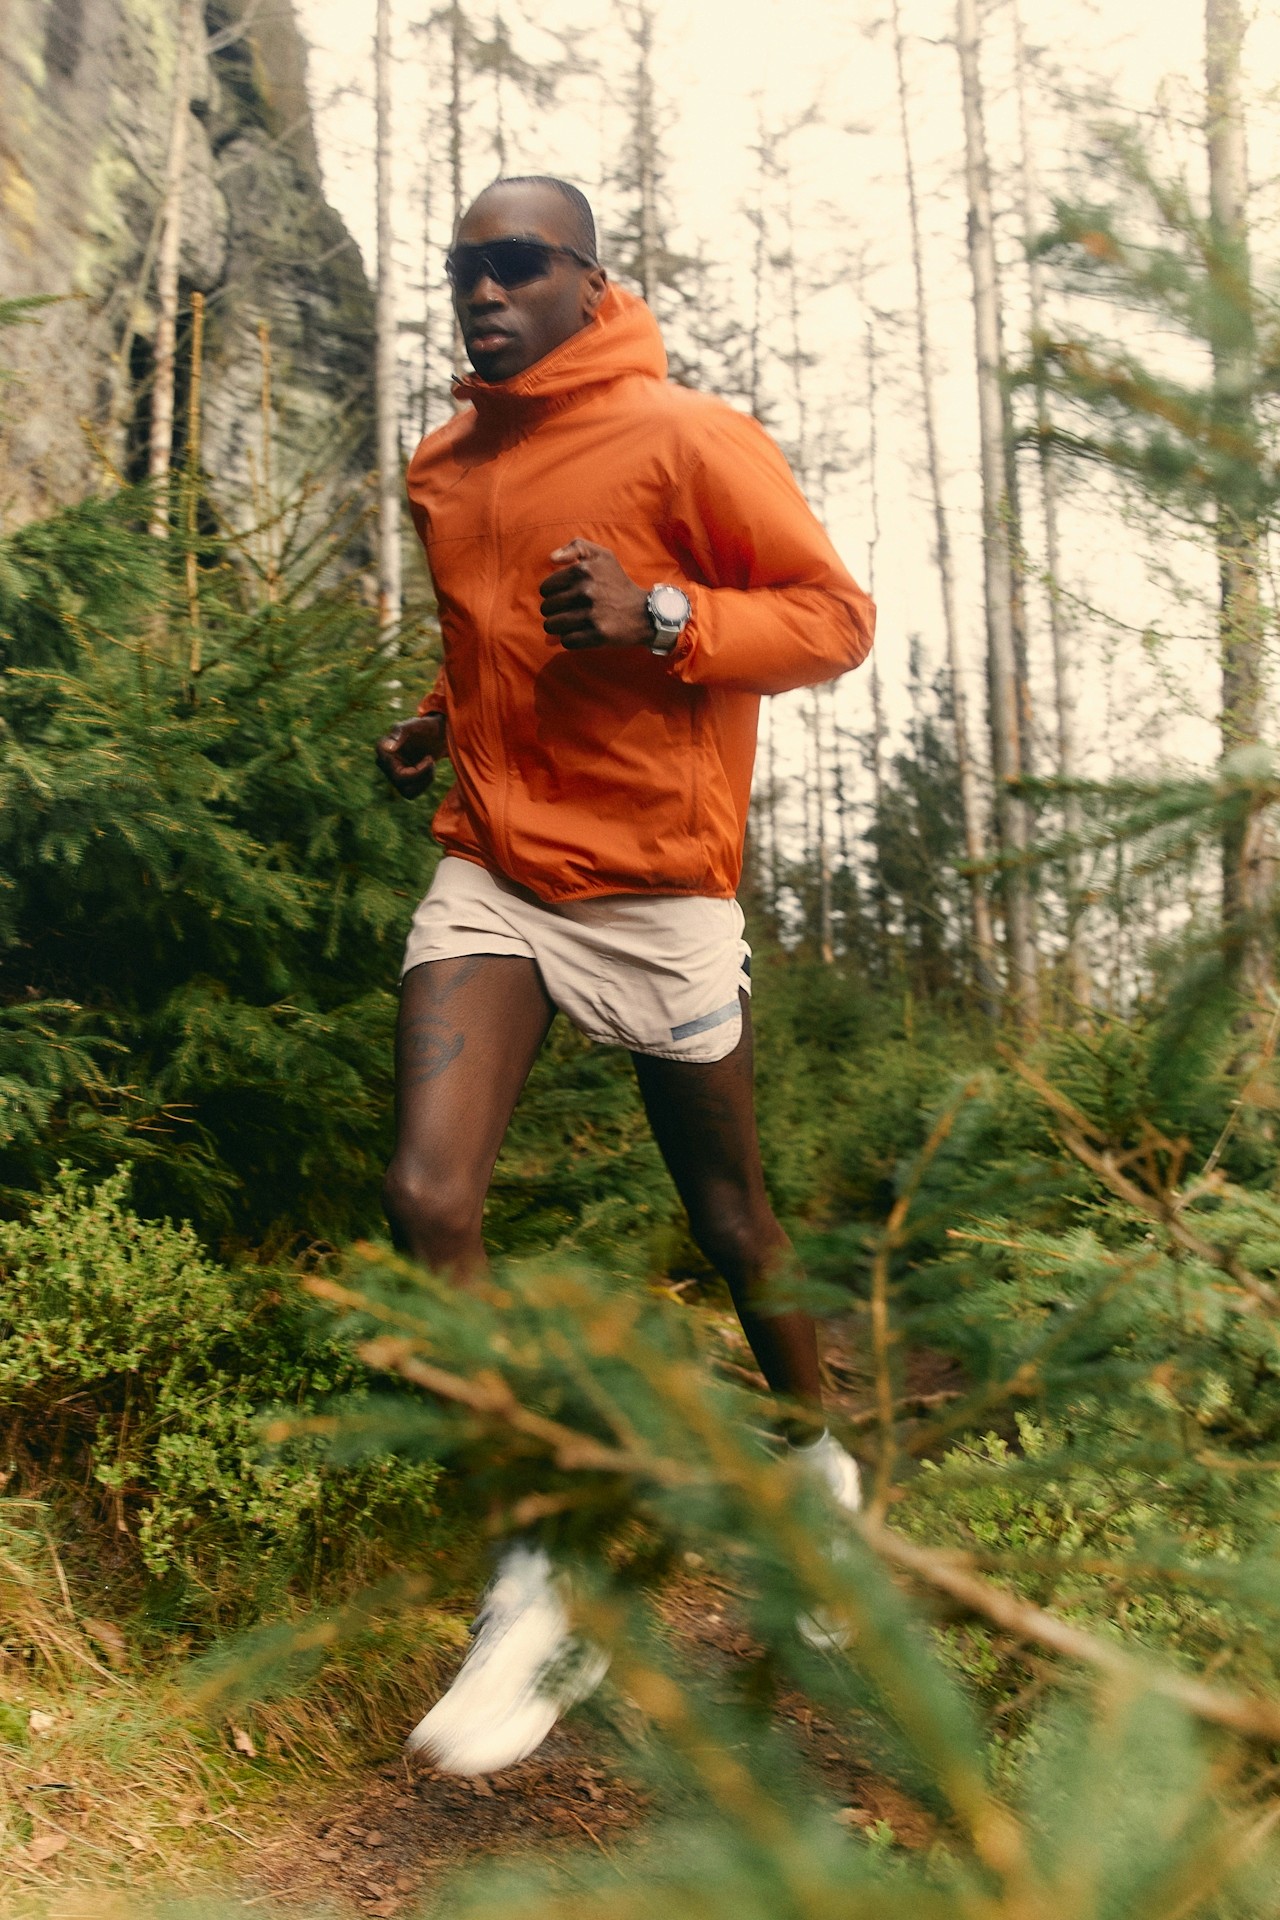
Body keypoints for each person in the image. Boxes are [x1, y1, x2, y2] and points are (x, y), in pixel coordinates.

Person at [375, 175, 875, 1778]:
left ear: (593, 279)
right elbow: (489, 654)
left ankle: (819, 1468)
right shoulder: (445, 469)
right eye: (463, 271)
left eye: (516, 264)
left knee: (732, 1221)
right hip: (496, 874)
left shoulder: (688, 438)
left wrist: (665, 614)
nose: (482, 293)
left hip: (657, 889)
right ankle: (538, 1556)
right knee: (428, 1203)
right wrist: (439, 729)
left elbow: (832, 619)